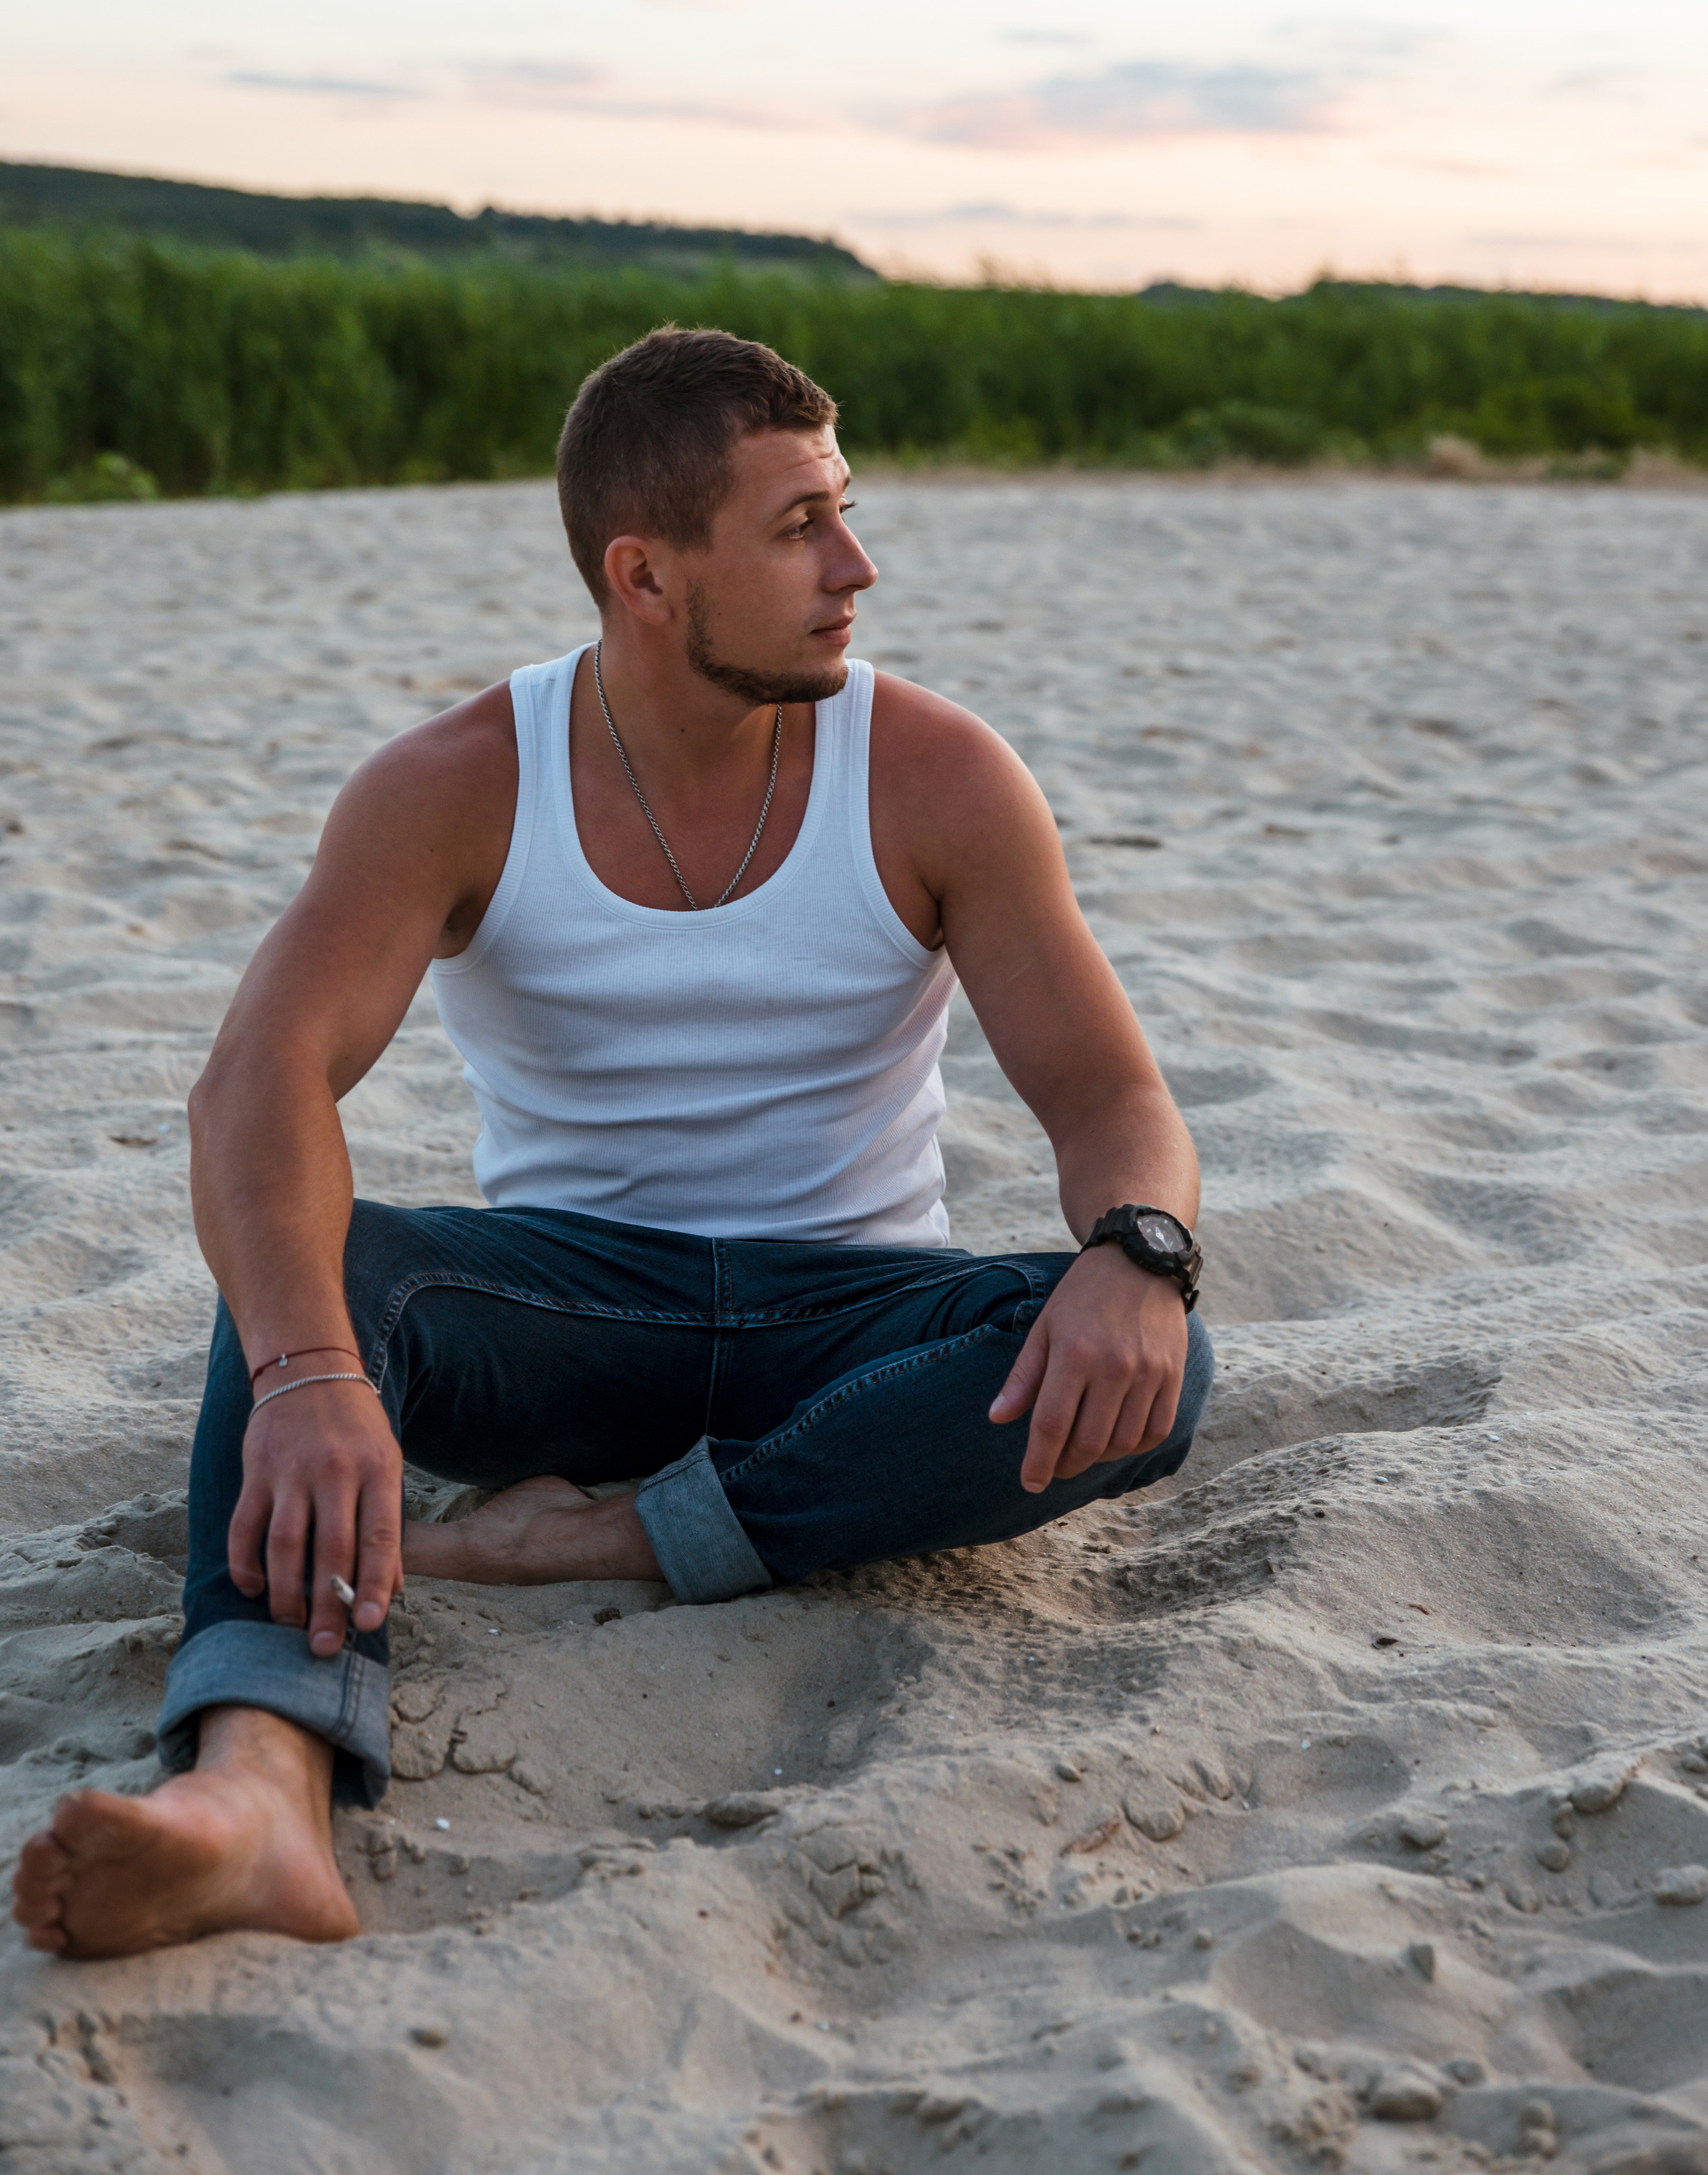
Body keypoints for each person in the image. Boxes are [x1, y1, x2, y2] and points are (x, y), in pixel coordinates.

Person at [12, 328, 1212, 1959]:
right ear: (645, 576)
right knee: (313, 1277)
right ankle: (256, 1790)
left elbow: (1106, 1102)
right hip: (567, 1327)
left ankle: (605, 1534)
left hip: (848, 1325)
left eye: (842, 509)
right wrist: (308, 1369)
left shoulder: (934, 774)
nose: (853, 565)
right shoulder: (452, 784)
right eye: (797, 527)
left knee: (1149, 1353)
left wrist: (1137, 1250)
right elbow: (256, 1083)